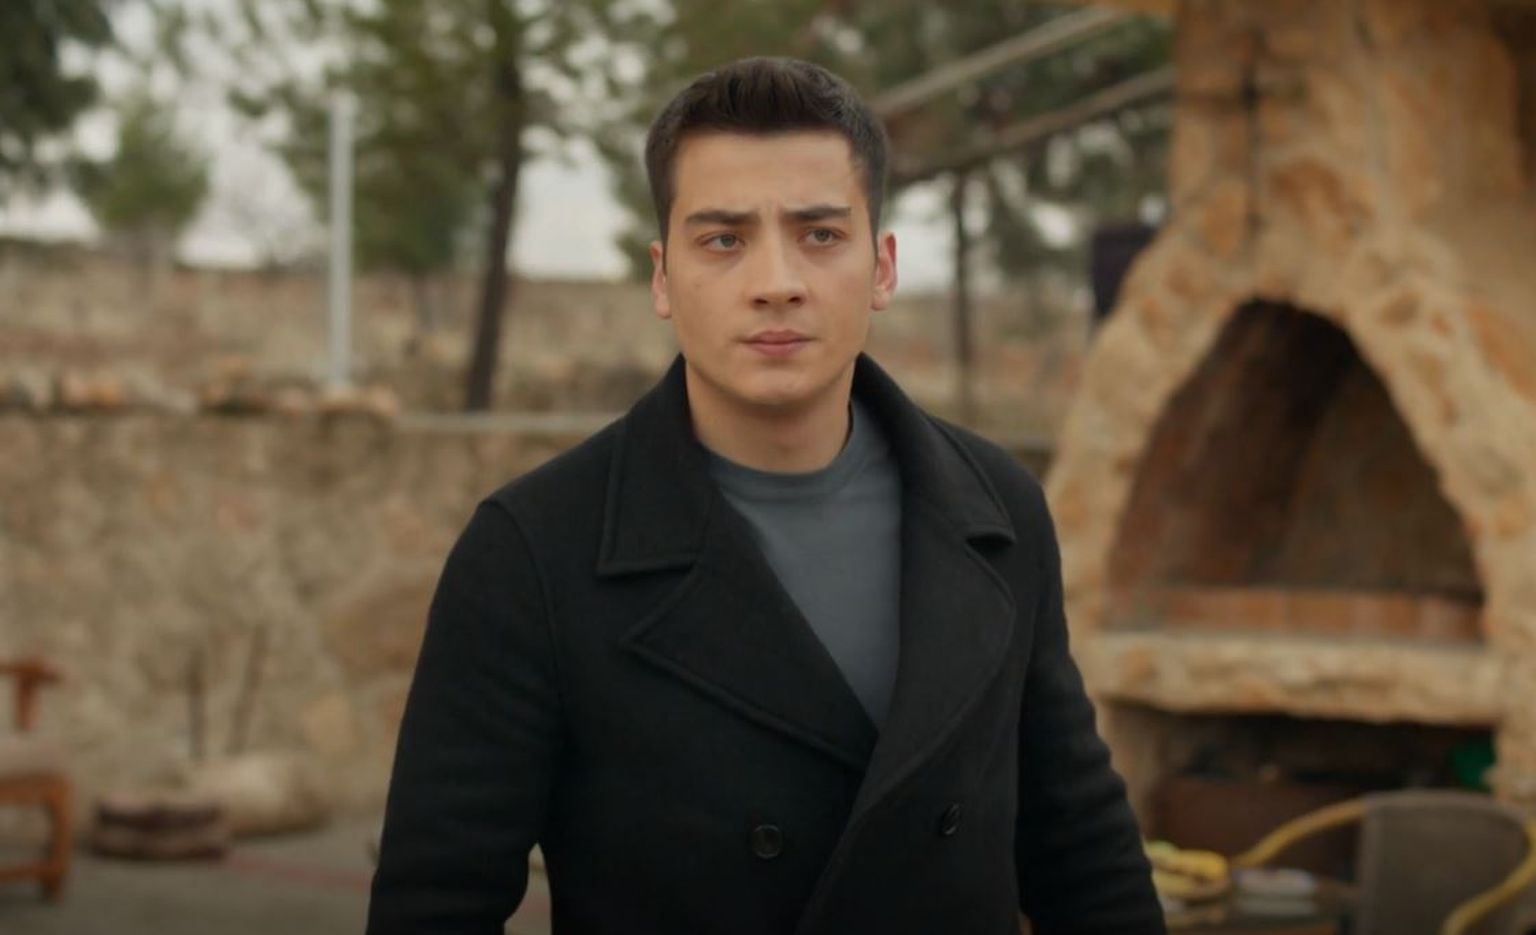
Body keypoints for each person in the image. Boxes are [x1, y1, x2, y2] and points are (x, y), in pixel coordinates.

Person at [367, 57, 1163, 935]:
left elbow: (1081, 848)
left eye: (819, 234)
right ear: (662, 278)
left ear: (883, 266)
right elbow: (434, 904)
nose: (776, 280)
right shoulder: (533, 551)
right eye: (723, 239)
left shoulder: (999, 510)